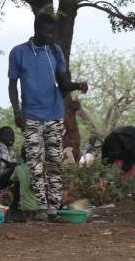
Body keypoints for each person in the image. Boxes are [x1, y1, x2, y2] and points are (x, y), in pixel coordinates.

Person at [8, 13, 88, 222]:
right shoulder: (19, 53)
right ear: (36, 30)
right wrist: (17, 112)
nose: (51, 36)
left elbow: (62, 83)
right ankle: (41, 207)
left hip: (54, 114)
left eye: (53, 32)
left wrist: (77, 85)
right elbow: (12, 86)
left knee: (55, 162)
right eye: (48, 32)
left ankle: (53, 208)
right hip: (31, 116)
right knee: (34, 162)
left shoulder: (54, 50)